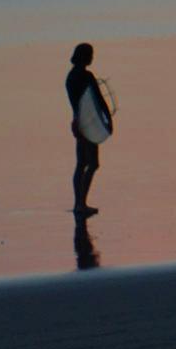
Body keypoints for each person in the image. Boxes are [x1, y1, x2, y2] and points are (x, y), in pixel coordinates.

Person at [65, 42, 112, 218]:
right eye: (91, 55)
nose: (92, 58)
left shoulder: (70, 77)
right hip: (89, 124)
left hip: (77, 123)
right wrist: (108, 121)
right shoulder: (87, 76)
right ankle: (81, 204)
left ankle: (79, 203)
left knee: (81, 163)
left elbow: (78, 104)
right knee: (92, 163)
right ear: (85, 57)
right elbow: (98, 100)